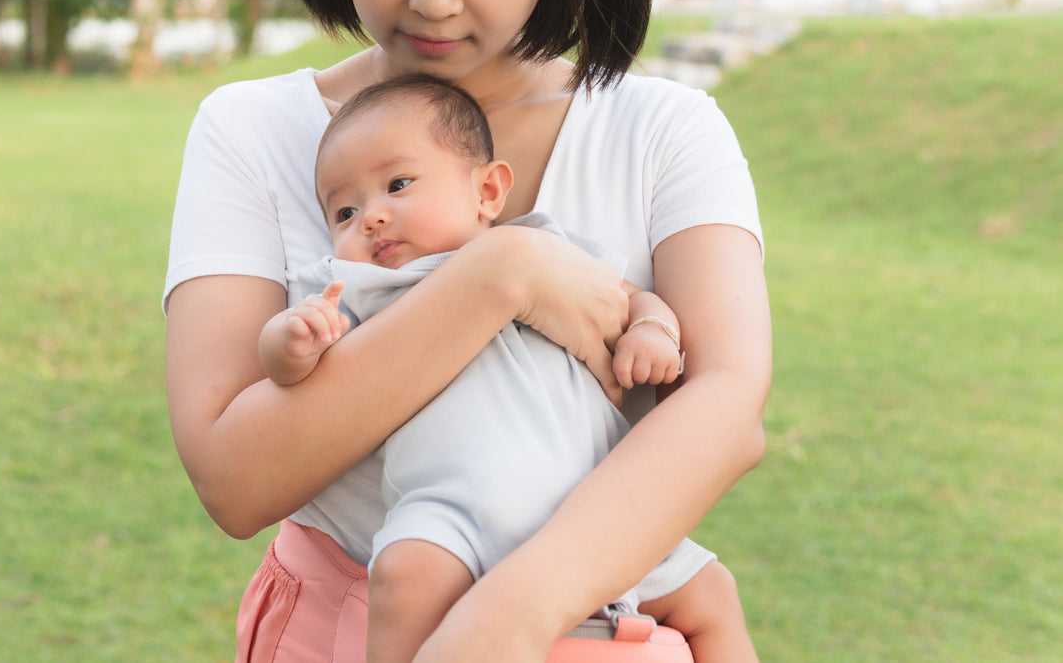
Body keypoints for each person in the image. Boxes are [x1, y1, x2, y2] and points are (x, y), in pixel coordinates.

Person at [163, 0, 771, 661]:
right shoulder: (255, 131)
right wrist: (505, 276)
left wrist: (507, 618)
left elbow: (726, 412)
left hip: (601, 628)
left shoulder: (661, 131)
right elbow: (234, 480)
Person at [259, 73, 753, 663]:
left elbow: (630, 299)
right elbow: (286, 369)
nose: (372, 217)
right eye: (344, 210)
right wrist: (292, 344)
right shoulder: (362, 287)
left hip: (598, 507)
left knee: (713, 595)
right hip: (456, 504)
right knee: (405, 573)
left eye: (397, 184)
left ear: (488, 191)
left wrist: (653, 329)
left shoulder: (548, 249)